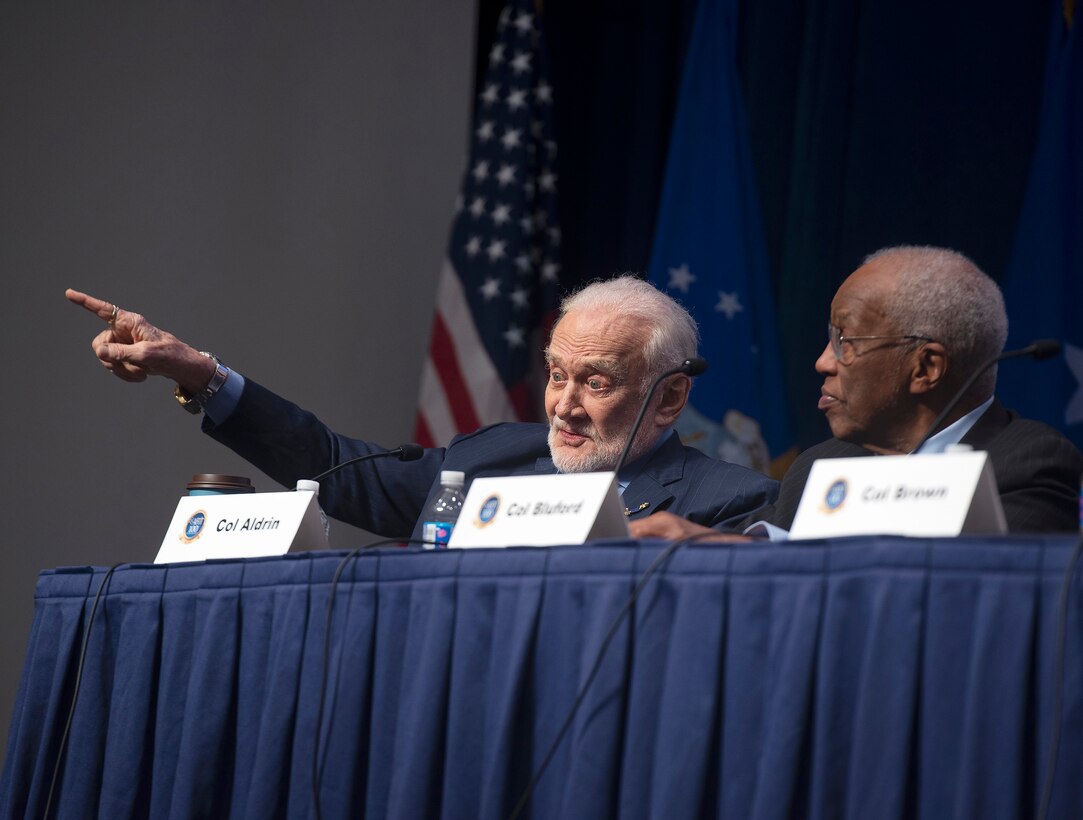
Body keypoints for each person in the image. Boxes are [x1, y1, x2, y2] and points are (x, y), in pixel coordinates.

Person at [67, 276, 778, 541]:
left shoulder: (727, 503)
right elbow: (332, 465)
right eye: (556, 374)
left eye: (595, 382)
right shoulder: (489, 457)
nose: (562, 405)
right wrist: (202, 373)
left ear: (672, 396)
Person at [631, 245, 1083, 541]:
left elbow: (984, 594)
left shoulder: (1027, 461)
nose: (823, 362)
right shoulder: (822, 465)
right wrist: (707, 545)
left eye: (845, 342)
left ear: (926, 368)